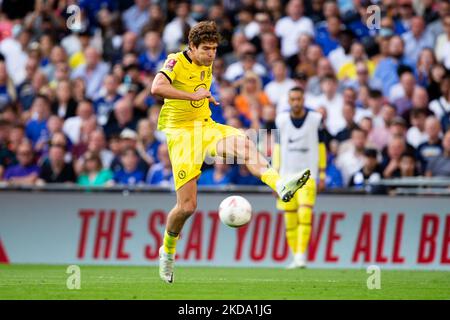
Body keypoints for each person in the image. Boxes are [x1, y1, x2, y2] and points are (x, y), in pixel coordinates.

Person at [150, 21, 310, 283]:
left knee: (246, 144)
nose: (211, 54)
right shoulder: (175, 61)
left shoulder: (208, 61)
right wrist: (193, 96)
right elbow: (156, 88)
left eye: (214, 48)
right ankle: (167, 252)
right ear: (191, 47)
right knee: (187, 207)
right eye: (205, 49)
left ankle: (280, 186)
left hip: (206, 126)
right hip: (181, 135)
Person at [273, 87, 326, 269]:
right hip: (286, 176)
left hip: (308, 175)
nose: (296, 102)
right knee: (290, 219)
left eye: (299, 99)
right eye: (293, 99)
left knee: (305, 214)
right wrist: (275, 178)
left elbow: (321, 146)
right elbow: (278, 148)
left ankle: (301, 254)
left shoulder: (315, 120)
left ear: (304, 100)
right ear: (289, 101)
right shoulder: (281, 120)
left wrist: (322, 173)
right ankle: (296, 256)